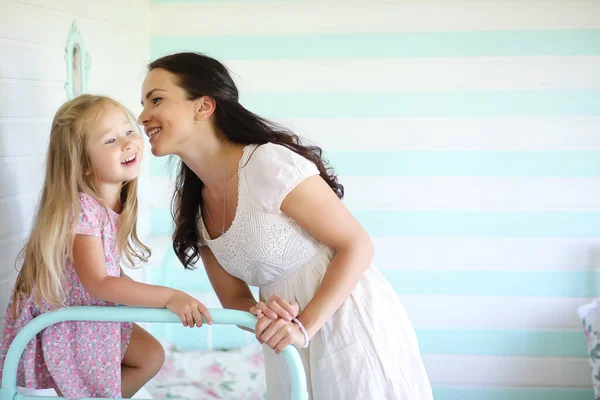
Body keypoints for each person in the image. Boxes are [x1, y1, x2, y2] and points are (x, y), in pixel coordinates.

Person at [139, 52, 433, 399]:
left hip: (345, 317)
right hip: (286, 338)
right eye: (143, 104)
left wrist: (304, 327)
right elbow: (234, 297)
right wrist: (264, 315)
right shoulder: (192, 207)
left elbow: (357, 245)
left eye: (156, 100)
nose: (143, 117)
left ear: (203, 106)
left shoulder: (267, 163)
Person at [0, 94, 212, 399]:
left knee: (150, 356)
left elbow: (111, 274)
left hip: (90, 317)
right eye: (110, 140)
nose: (127, 143)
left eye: (128, 132)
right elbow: (99, 282)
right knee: (143, 360)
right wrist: (169, 297)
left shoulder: (110, 207)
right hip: (70, 324)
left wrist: (156, 297)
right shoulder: (83, 209)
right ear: (84, 164)